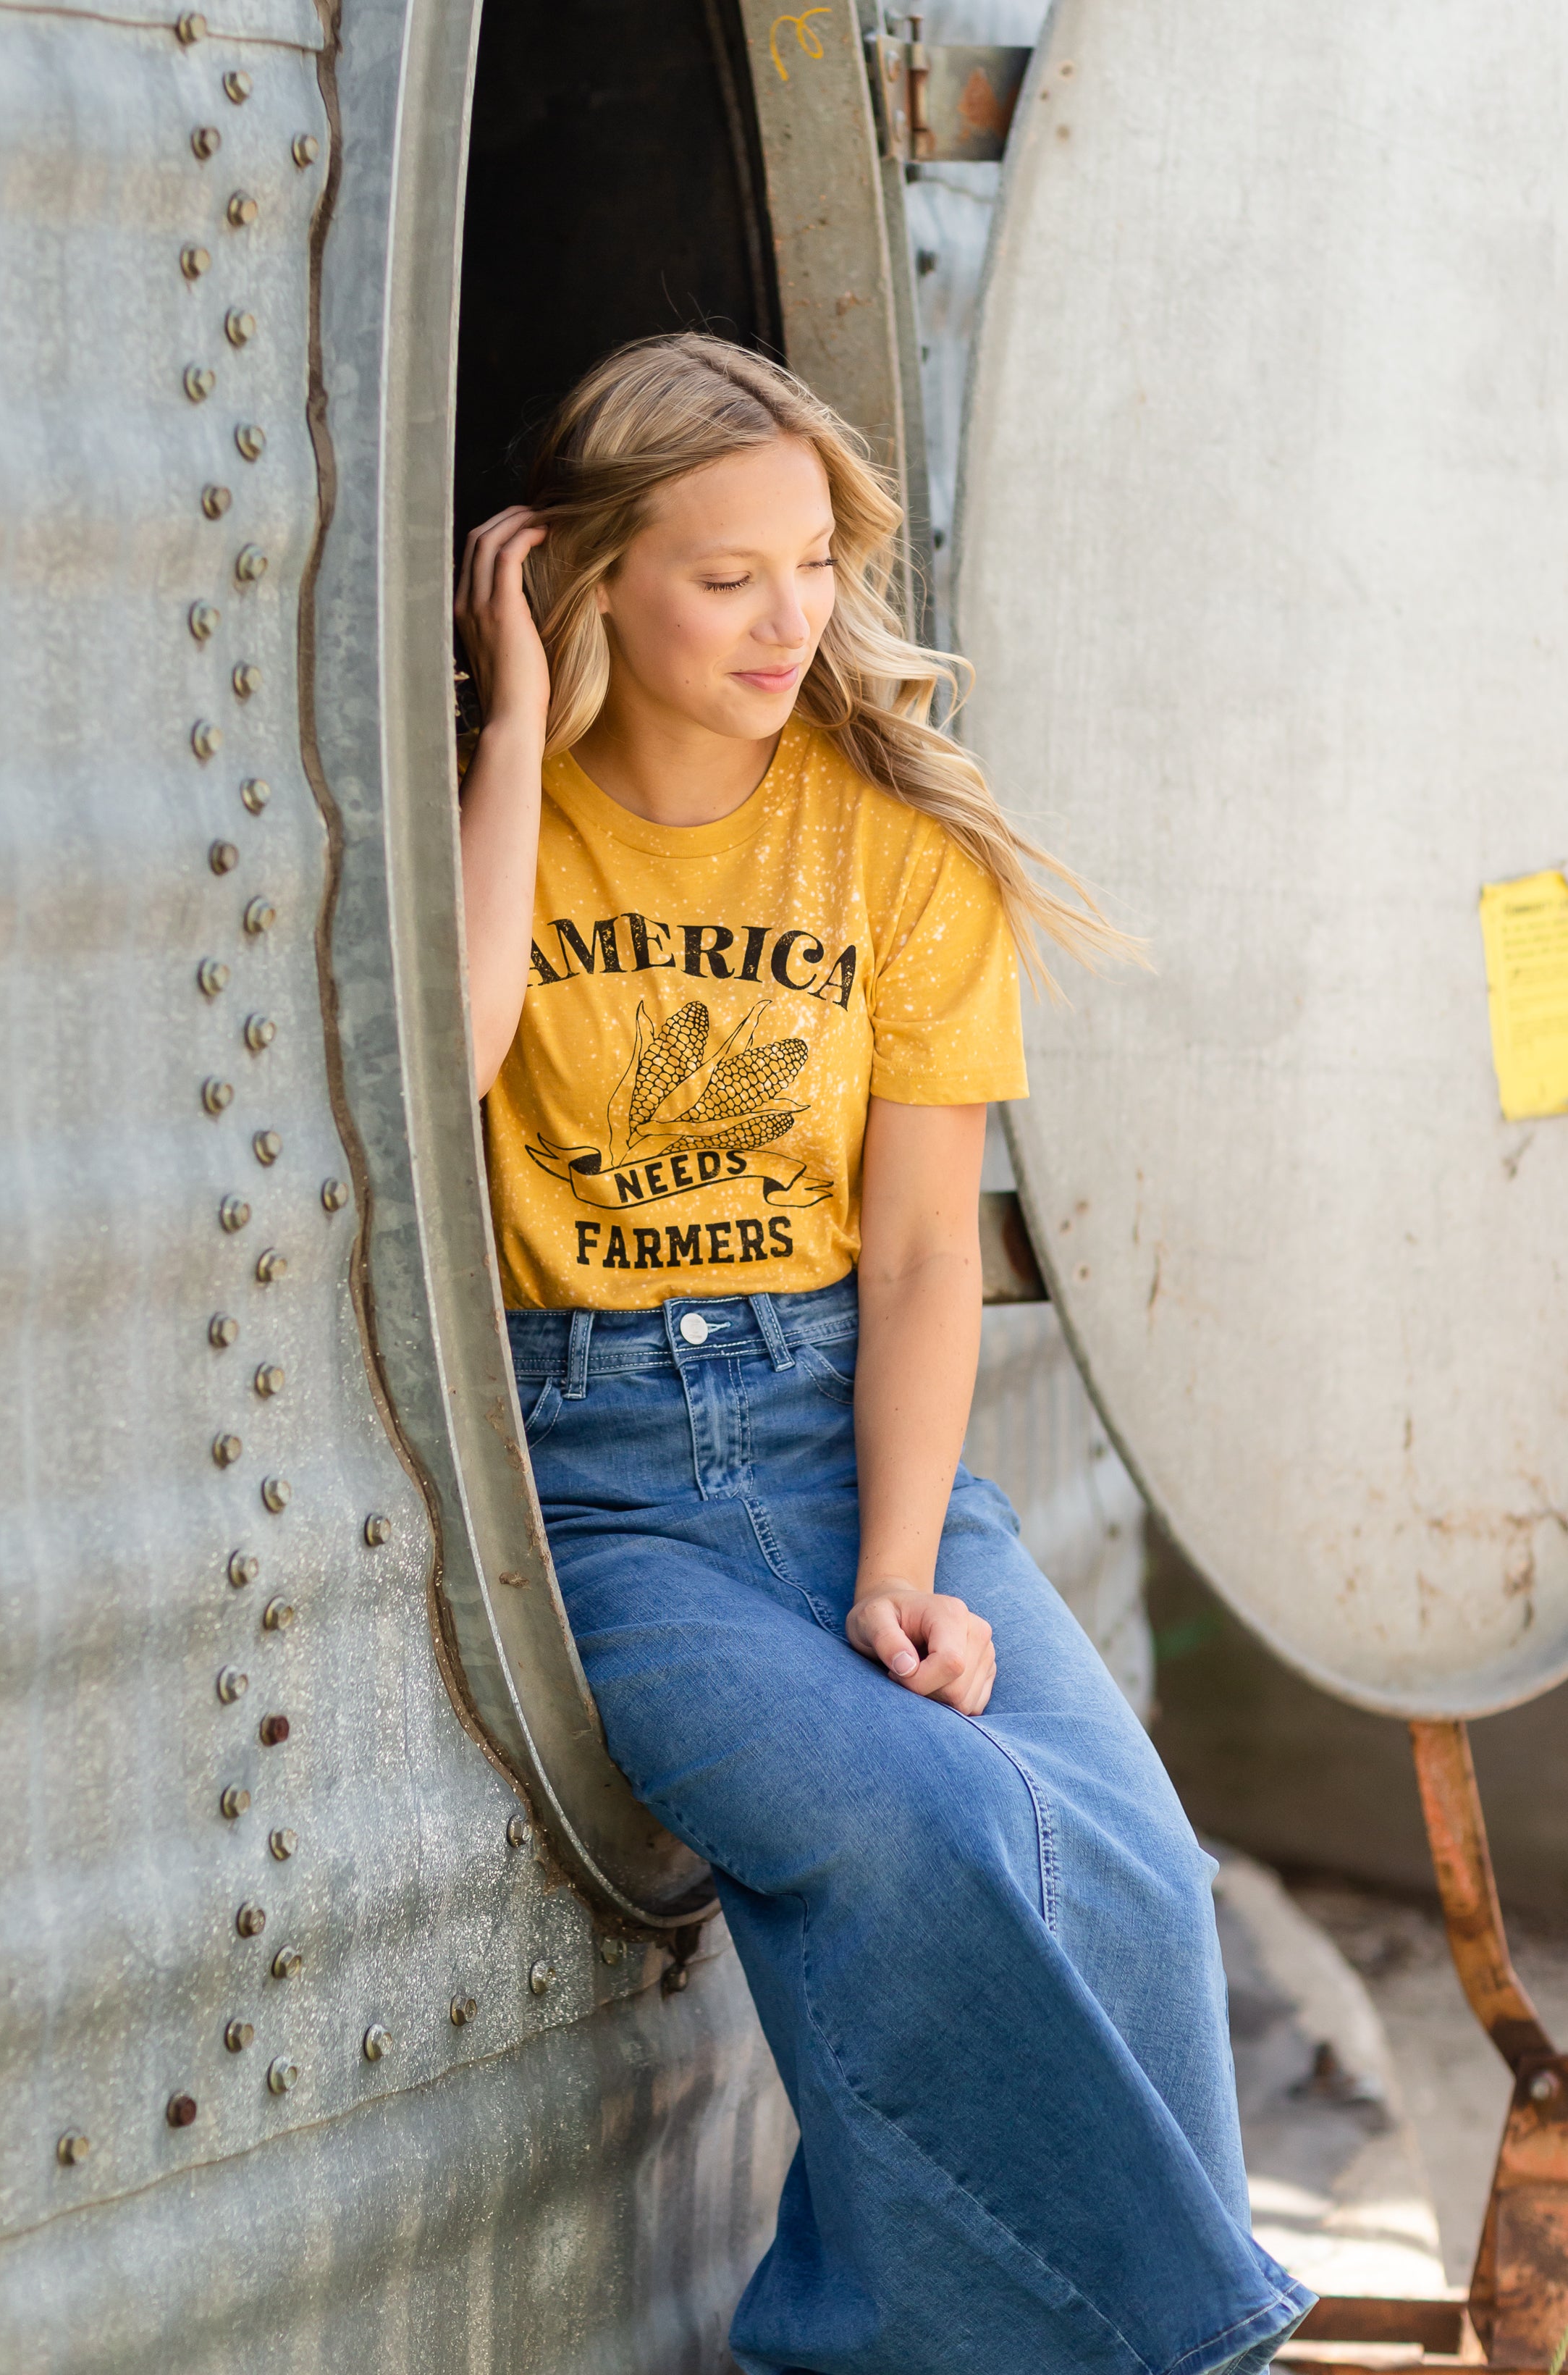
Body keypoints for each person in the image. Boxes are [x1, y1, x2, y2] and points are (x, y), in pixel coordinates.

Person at [453, 332, 1310, 2375]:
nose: (789, 620)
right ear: (591, 581)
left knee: (1131, 1872)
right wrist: (502, 729)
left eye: (815, 564)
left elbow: (926, 1256)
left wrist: (900, 1567)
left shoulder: (896, 851)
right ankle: (1176, 2352)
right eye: (724, 574)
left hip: (843, 1424)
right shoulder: (504, 831)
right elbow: (447, 1063)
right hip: (599, 1485)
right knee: (920, 1833)